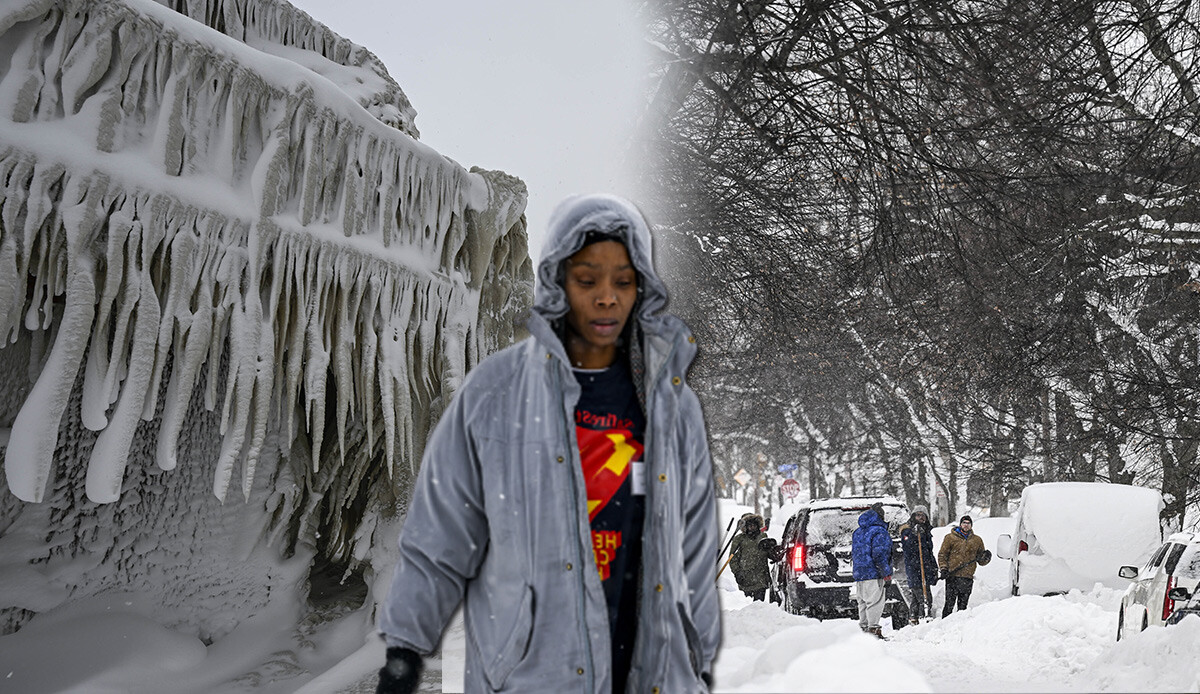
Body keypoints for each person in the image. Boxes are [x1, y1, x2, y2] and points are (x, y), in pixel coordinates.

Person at [376, 194, 720, 694]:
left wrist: (700, 652)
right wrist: (405, 647)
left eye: (623, 281)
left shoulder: (671, 404)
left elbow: (692, 547)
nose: (607, 297)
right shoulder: (496, 392)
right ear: (557, 282)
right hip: (533, 671)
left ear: (641, 287)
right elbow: (441, 532)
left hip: (649, 669)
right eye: (588, 280)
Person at [851, 502, 893, 638]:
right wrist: (886, 572)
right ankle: (873, 630)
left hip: (860, 573)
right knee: (875, 602)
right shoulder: (879, 532)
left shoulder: (858, 532)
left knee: (862, 603)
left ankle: (863, 629)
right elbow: (879, 554)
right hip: (874, 573)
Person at [938, 515, 992, 617]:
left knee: (963, 606)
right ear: (960, 524)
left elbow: (980, 560)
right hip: (952, 576)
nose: (966, 525)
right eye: (964, 523)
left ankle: (960, 627)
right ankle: (943, 625)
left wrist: (986, 558)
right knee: (949, 604)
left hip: (967, 577)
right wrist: (944, 568)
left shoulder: (977, 540)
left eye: (968, 523)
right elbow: (942, 554)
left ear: (971, 525)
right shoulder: (950, 538)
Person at [898, 506, 938, 624]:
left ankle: (913, 618)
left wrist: (934, 566)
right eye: (918, 515)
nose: (921, 517)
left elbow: (929, 551)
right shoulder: (907, 531)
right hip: (914, 568)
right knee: (923, 596)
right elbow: (907, 547)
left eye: (923, 515)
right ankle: (923, 617)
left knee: (917, 597)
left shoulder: (926, 531)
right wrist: (914, 535)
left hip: (925, 567)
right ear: (913, 516)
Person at [730, 513, 772, 601]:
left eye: (754, 525)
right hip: (746, 578)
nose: (752, 528)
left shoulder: (763, 536)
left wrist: (771, 548)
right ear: (745, 527)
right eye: (750, 525)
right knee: (748, 606)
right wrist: (737, 573)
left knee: (759, 604)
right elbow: (732, 558)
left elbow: (769, 554)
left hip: (761, 577)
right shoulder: (739, 539)